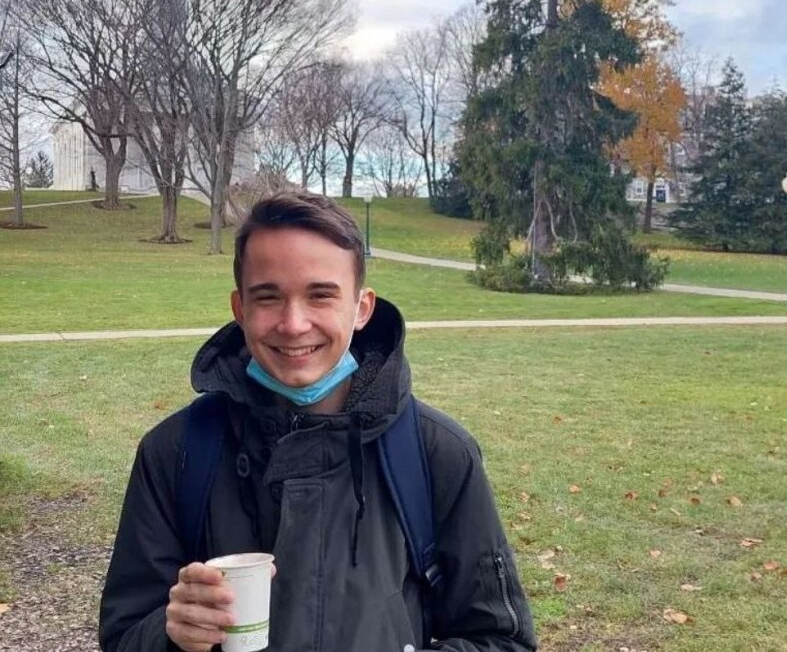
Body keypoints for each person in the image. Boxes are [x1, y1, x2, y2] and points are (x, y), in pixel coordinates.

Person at [99, 191, 536, 652]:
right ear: (239, 309)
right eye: (268, 297)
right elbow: (124, 635)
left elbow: (501, 638)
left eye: (321, 295)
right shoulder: (176, 453)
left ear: (362, 308)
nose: (293, 323)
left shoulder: (437, 453)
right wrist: (171, 632)